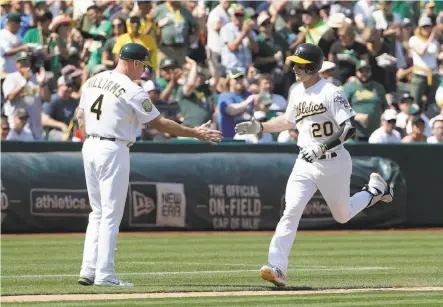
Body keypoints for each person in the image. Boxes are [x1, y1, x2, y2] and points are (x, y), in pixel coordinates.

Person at [235, 43, 393, 287]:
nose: (294, 68)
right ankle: (277, 267)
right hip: (304, 163)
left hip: (333, 161)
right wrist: (261, 126)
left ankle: (375, 191)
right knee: (291, 210)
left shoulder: (331, 91)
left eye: (299, 64)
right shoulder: (296, 91)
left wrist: (321, 147)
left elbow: (349, 127)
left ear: (311, 66)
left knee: (342, 216)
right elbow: (287, 122)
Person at [76, 43, 221, 287]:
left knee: (98, 212)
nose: (144, 70)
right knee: (111, 214)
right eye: (143, 65)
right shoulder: (132, 89)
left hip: (90, 144)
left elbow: (80, 116)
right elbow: (160, 124)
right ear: (134, 63)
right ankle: (105, 274)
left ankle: (88, 270)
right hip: (113, 147)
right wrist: (195, 133)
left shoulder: (94, 79)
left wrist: (92, 138)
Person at [343, 60, 387, 141]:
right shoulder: (349, 87)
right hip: (356, 133)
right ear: (356, 72)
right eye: (361, 71)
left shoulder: (379, 87)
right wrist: (355, 116)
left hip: (376, 133)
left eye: (366, 71)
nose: (364, 73)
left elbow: (385, 108)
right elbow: (341, 109)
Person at [408, 16, 440, 110]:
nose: (426, 29)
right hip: (419, 75)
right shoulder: (414, 39)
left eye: (428, 26)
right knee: (415, 102)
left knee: (432, 103)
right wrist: (430, 39)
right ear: (420, 28)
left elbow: (437, 56)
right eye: (424, 27)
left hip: (433, 75)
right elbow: (421, 52)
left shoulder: (435, 41)